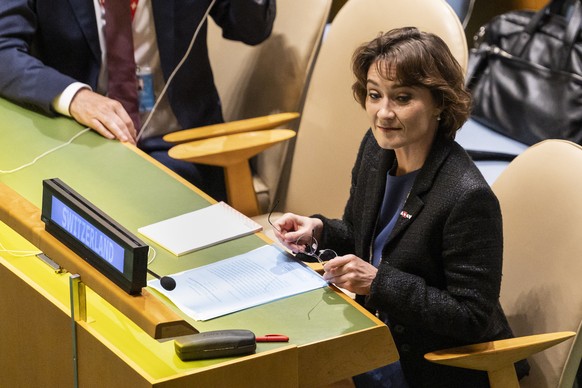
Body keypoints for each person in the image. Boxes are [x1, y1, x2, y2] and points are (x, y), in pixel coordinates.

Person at [272, 27, 529, 387]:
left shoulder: (468, 196)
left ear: (440, 102)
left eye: (403, 97)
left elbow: (470, 316)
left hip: (436, 365)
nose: (383, 113)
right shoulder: (377, 150)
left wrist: (378, 283)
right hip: (376, 334)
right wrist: (319, 230)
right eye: (375, 95)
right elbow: (363, 237)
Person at [0, 0, 275, 201]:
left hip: (181, 148)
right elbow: (4, 50)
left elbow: (252, 28)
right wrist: (75, 97)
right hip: (83, 147)